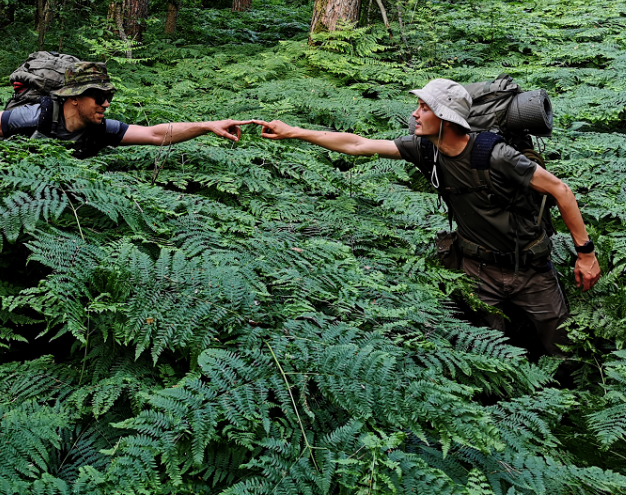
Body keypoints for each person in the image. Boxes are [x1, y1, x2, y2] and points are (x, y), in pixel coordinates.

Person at [252, 78, 601, 357]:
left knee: (564, 349)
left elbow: (561, 191)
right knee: (489, 355)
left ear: (446, 118)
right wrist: (293, 132)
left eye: (424, 108)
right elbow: (357, 144)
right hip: (477, 271)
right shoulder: (425, 150)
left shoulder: (496, 155)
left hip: (531, 271)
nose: (415, 115)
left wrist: (585, 254)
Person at [0, 62, 251, 191]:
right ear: (73, 99)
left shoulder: (100, 128)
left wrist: (209, 125)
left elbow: (156, 134)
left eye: (108, 97)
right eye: (98, 97)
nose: (105, 104)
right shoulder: (37, 115)